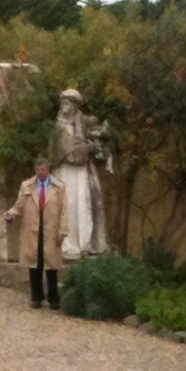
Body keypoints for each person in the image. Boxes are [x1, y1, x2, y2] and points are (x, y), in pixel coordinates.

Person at [4, 157, 68, 309]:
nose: (41, 172)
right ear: (35, 170)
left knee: (51, 265)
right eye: (38, 170)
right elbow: (19, 206)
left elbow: (64, 210)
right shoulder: (27, 186)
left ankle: (54, 299)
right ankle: (36, 298)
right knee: (34, 264)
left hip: (51, 229)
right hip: (32, 230)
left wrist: (63, 231)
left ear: (48, 170)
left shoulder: (59, 187)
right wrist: (10, 214)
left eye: (43, 169)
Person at [53, 88, 109, 260]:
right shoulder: (58, 124)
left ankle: (84, 243)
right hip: (64, 170)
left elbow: (99, 134)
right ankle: (65, 243)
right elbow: (63, 147)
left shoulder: (83, 122)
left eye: (67, 103)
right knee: (66, 204)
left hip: (82, 171)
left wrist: (98, 142)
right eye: (62, 102)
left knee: (83, 204)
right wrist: (85, 148)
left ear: (75, 105)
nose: (64, 106)